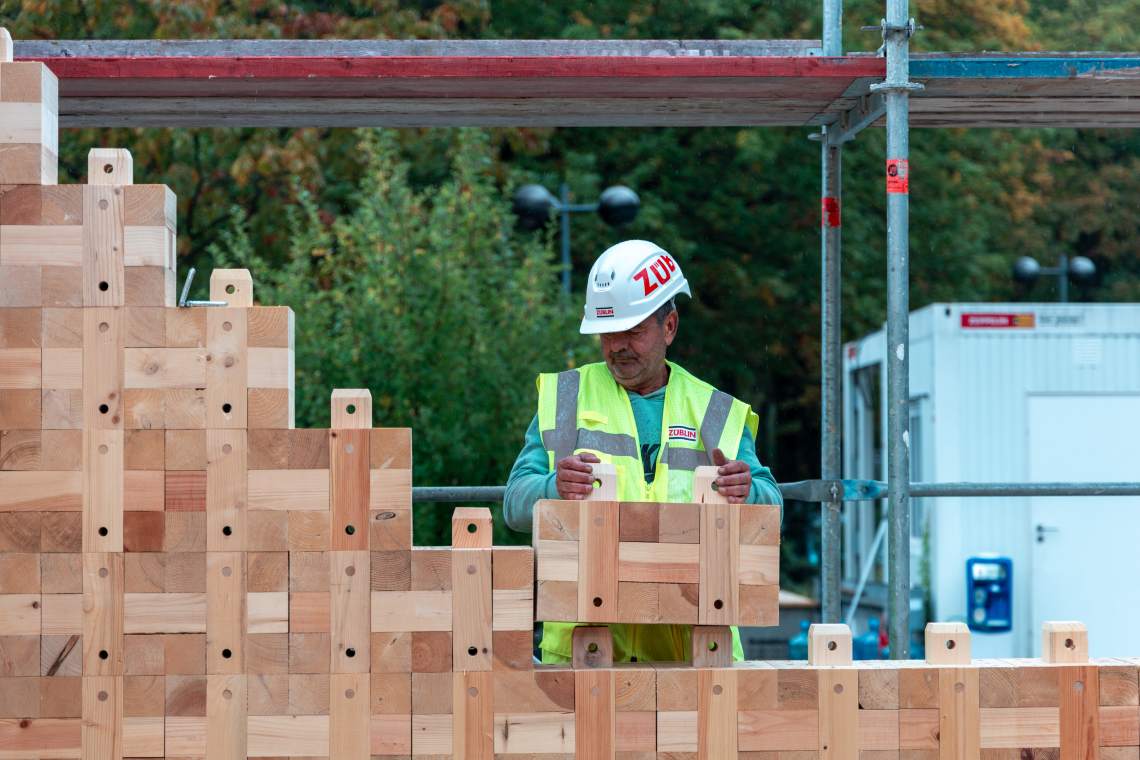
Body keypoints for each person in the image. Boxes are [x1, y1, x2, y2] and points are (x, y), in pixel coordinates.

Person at [503, 239, 782, 664]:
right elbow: (514, 506)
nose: (618, 346)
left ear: (669, 327)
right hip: (585, 653)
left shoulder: (714, 409)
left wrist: (749, 493)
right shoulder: (566, 396)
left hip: (694, 651)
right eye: (608, 333)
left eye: (632, 331)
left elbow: (773, 510)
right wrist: (552, 486)